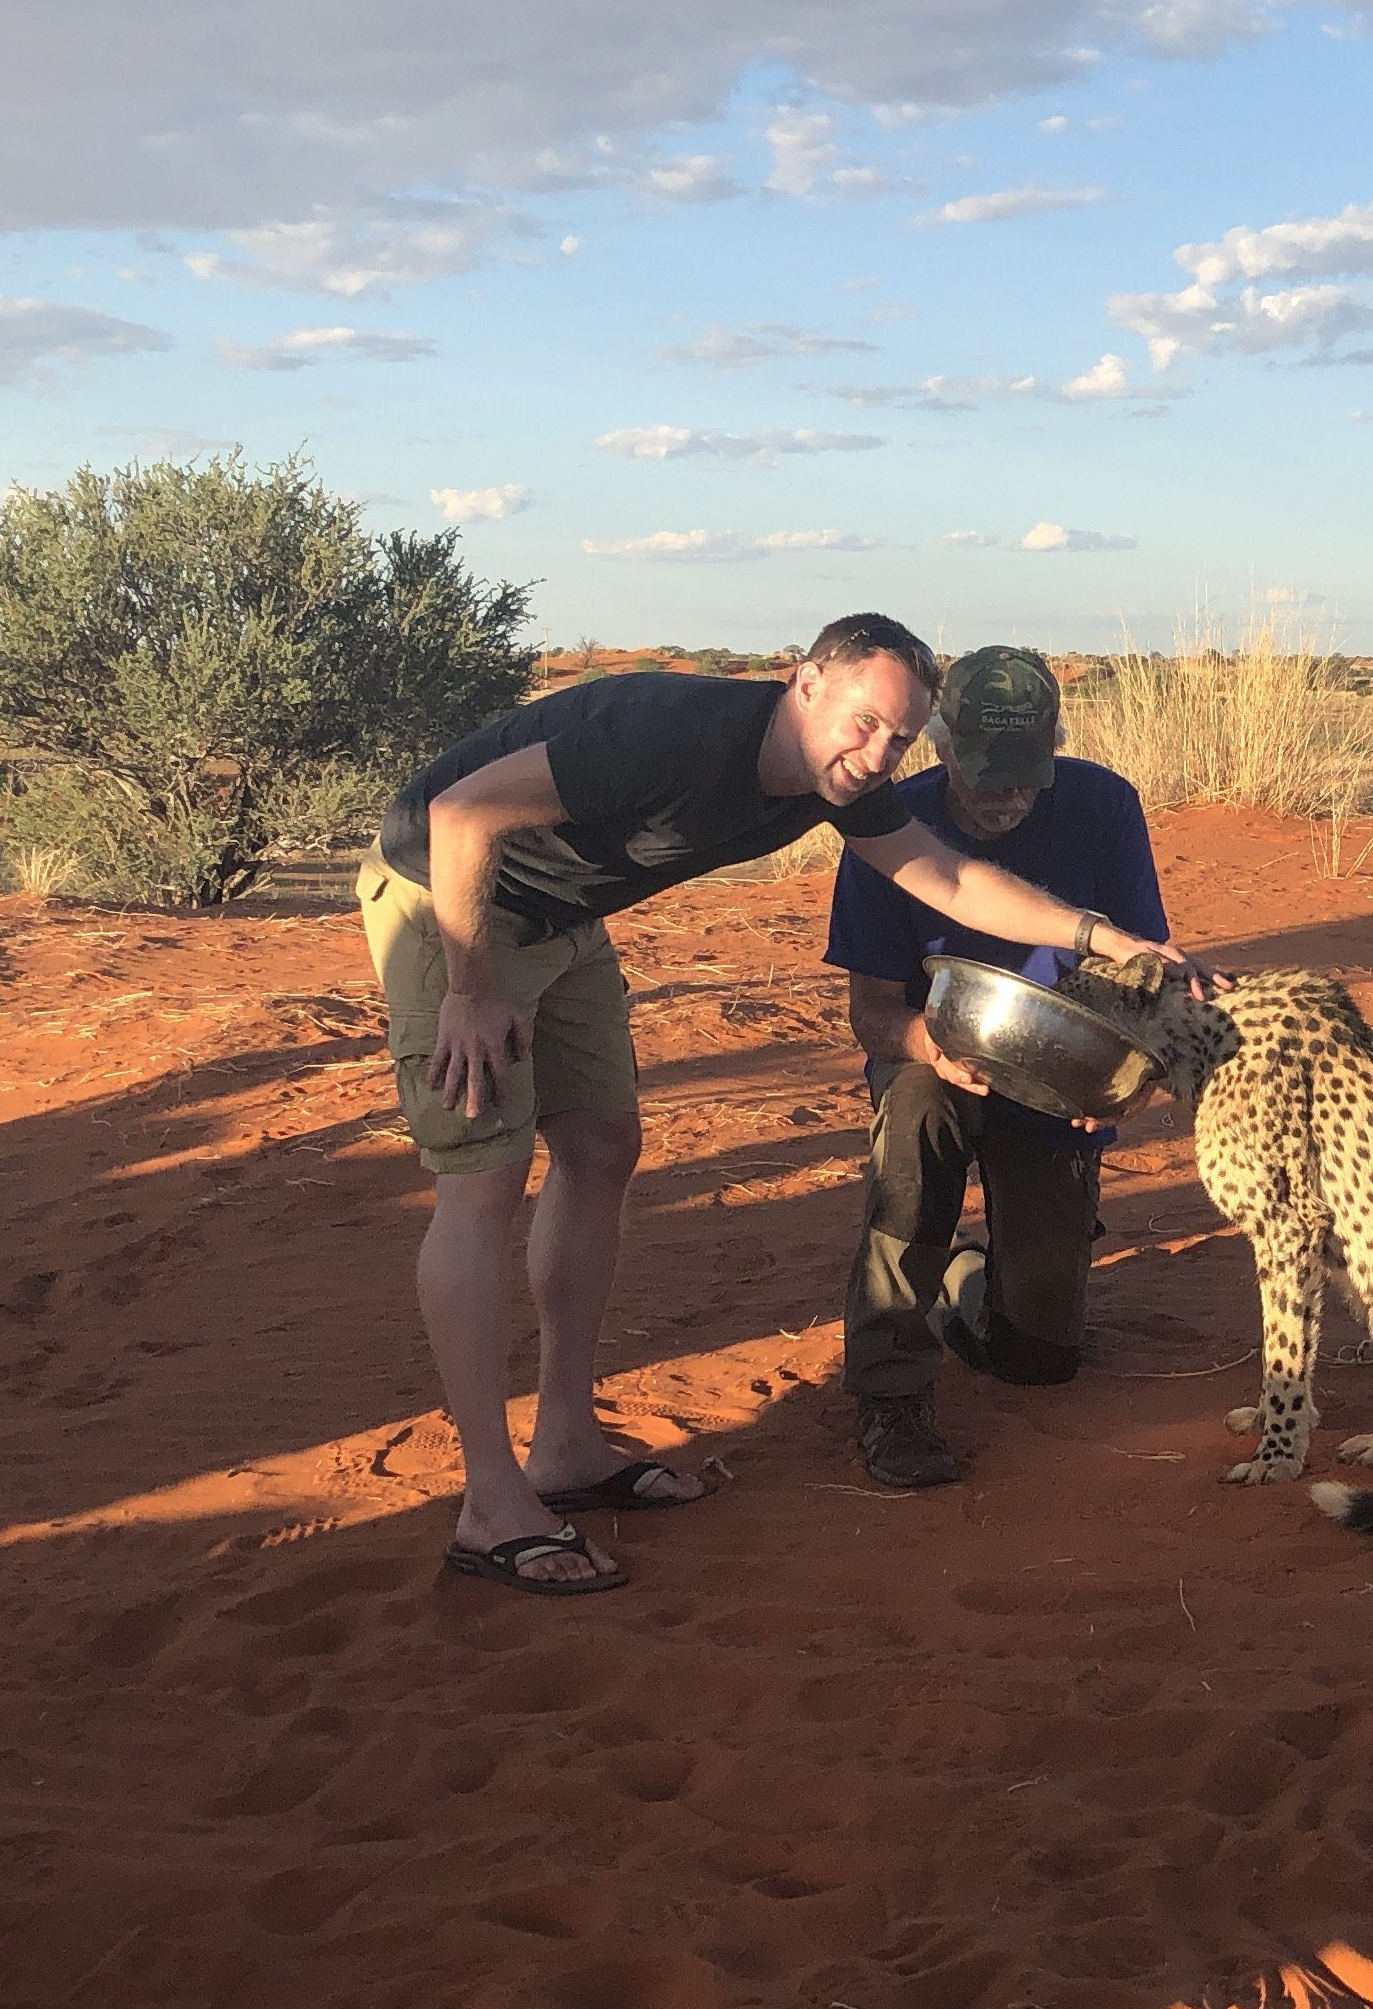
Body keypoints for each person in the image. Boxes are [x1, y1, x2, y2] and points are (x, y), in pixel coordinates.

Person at [361, 614, 1184, 1598]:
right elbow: (457, 814)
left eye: (900, 738)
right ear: (805, 685)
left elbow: (954, 879)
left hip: (562, 920)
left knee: (601, 1147)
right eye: (864, 721)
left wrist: (1107, 940)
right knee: (482, 1183)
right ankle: (491, 1503)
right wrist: (468, 988)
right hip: (449, 901)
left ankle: (566, 1445)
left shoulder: (843, 787)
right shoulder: (672, 733)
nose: (876, 753)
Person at [822, 645, 1169, 1489]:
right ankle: (890, 1393)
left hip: (1057, 1066)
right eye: (988, 777)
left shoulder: (1103, 804)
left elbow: (1141, 976)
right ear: (939, 746)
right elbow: (871, 1014)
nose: (1011, 797)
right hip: (930, 1053)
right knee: (914, 1127)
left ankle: (966, 1275)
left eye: (1027, 776)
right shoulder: (887, 824)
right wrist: (928, 1046)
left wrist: (1125, 1077)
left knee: (1041, 1357)